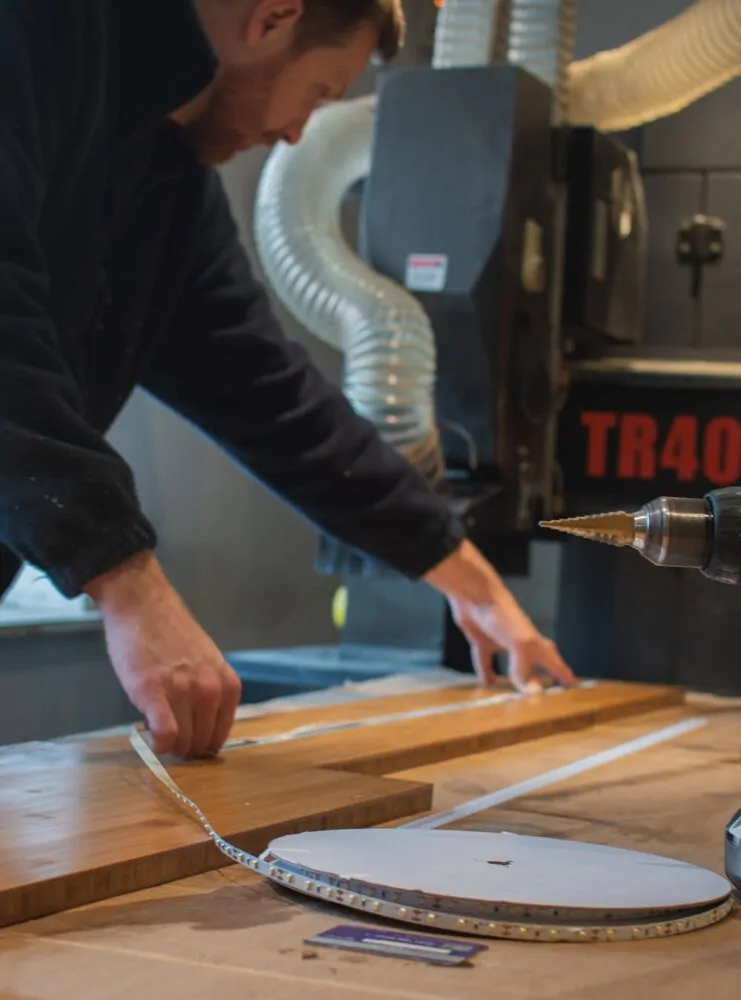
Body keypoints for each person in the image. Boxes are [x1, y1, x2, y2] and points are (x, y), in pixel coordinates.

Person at [0, 0, 574, 759]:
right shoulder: (35, 29)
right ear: (272, 16)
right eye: (320, 94)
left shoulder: (165, 180)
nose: (301, 132)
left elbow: (273, 397)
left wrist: (467, 577)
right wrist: (126, 578)